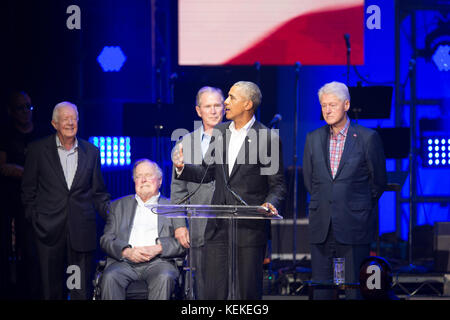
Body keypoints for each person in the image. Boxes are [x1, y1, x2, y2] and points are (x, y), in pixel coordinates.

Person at [173, 81, 286, 300]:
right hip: (217, 228)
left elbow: (277, 184)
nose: (225, 102)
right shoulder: (221, 132)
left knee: (247, 294)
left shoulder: (267, 138)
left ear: (247, 104)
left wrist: (270, 203)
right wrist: (182, 168)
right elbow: (207, 173)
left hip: (249, 229)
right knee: (213, 292)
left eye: (232, 97)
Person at [302, 81, 387, 300]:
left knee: (353, 292)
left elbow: (378, 181)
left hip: (353, 227)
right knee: (322, 291)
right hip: (322, 227)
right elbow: (310, 181)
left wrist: (354, 205)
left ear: (346, 104)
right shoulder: (313, 139)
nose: (327, 110)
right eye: (323, 105)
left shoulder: (367, 138)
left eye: (332, 104)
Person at [21, 101, 111, 300]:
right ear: (54, 123)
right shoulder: (37, 150)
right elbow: (28, 190)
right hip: (48, 233)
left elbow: (98, 193)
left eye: (74, 118)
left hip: (80, 235)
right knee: (51, 291)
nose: (70, 123)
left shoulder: (92, 151)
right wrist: (35, 218)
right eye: (65, 119)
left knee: (78, 289)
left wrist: (115, 216)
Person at [100, 159, 185, 300]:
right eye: (139, 176)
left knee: (165, 276)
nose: (144, 180)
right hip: (125, 262)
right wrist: (126, 251)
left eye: (148, 175)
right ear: (134, 181)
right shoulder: (117, 206)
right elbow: (106, 240)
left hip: (160, 262)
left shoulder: (173, 207)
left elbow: (182, 243)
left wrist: (159, 248)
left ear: (160, 180)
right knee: (110, 276)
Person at [170, 86, 225, 299]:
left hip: (230, 227)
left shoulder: (238, 141)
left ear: (224, 107)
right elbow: (177, 191)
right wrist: (179, 225)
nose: (213, 111)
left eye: (217, 105)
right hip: (199, 228)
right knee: (202, 290)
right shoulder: (186, 143)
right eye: (207, 106)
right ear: (198, 110)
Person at [0, 91, 42, 299]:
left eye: (29, 107)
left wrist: (21, 170)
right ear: (11, 111)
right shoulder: (6, 136)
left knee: (34, 254)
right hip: (12, 201)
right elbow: (3, 167)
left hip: (38, 205)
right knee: (14, 252)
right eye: (21, 108)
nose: (26, 112)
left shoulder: (41, 135)